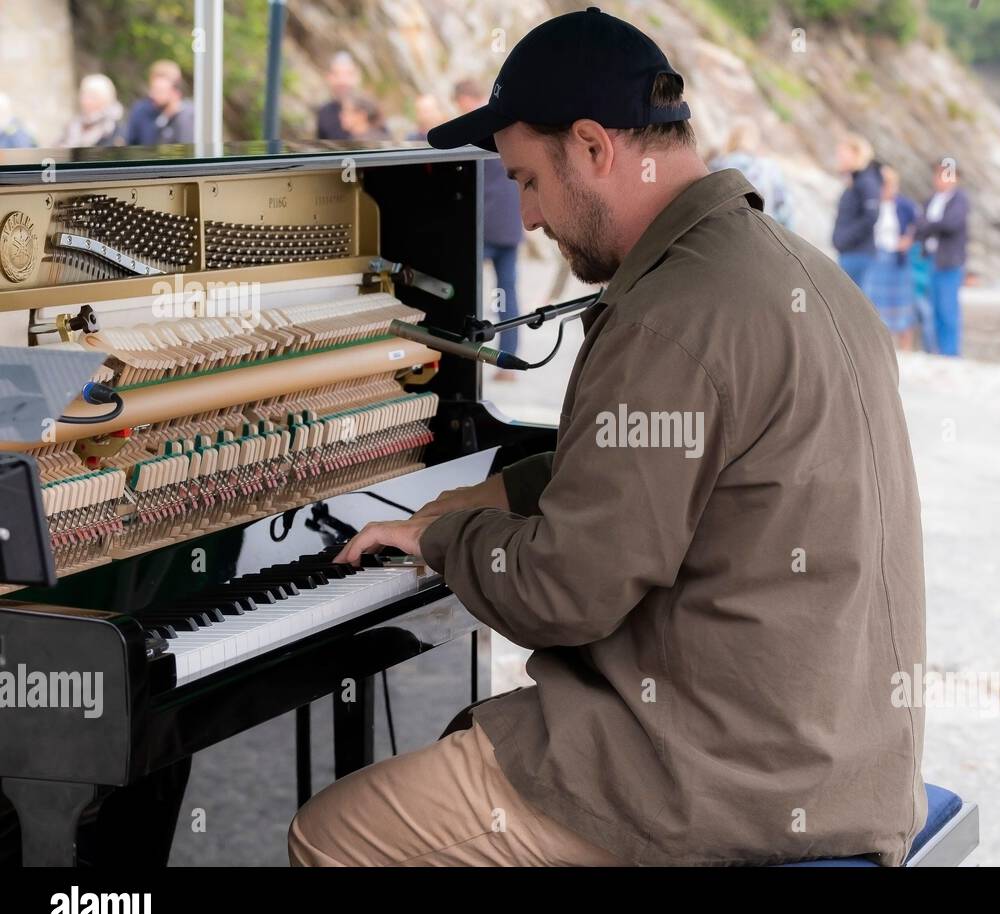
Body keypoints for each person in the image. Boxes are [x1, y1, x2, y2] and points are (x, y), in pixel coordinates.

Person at [290, 7, 926, 868]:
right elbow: (660, 466)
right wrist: (495, 492)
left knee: (332, 837)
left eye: (527, 181)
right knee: (471, 744)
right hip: (838, 761)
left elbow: (563, 595)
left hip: (707, 781)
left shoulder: (671, 319)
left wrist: (444, 536)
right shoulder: (798, 270)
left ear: (593, 147)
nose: (531, 216)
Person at [452, 79, 527, 382]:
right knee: (507, 293)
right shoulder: (506, 126)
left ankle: (464, 357)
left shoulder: (474, 130)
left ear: (463, 99)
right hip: (509, 225)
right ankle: (508, 359)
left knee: (467, 289)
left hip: (484, 226)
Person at [914, 158, 969, 357]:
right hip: (931, 259)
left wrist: (930, 224)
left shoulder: (959, 199)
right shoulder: (931, 200)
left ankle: (951, 352)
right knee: (933, 308)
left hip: (949, 260)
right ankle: (936, 350)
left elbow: (951, 224)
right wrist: (932, 224)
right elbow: (919, 225)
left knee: (948, 309)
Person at [863, 165, 919, 349]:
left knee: (903, 306)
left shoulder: (904, 205)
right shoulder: (872, 203)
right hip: (877, 258)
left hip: (897, 260)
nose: (886, 188)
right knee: (876, 305)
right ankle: (878, 347)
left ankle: (906, 349)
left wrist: (908, 239)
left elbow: (920, 225)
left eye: (889, 184)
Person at [707, 118, 793, 229]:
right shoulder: (769, 168)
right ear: (755, 140)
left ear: (731, 138)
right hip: (762, 234)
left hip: (723, 233)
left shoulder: (717, 166)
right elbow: (785, 210)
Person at [831, 134, 882, 294]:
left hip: (858, 254)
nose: (838, 158)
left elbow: (871, 216)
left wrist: (845, 238)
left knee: (852, 304)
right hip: (851, 252)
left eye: (842, 154)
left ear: (856, 154)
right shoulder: (857, 181)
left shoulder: (867, 181)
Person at [124, 60, 193, 146]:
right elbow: (134, 142)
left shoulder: (187, 114)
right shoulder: (141, 111)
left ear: (175, 92)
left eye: (160, 91)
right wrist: (164, 117)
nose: (153, 95)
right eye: (153, 89)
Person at [59, 74, 125, 148]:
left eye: (92, 97)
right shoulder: (74, 124)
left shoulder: (112, 128)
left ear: (105, 100)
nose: (85, 101)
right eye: (84, 95)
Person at [316, 52, 360, 139]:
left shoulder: (371, 110)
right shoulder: (324, 113)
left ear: (357, 77)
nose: (342, 80)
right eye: (336, 74)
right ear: (328, 77)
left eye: (348, 74)